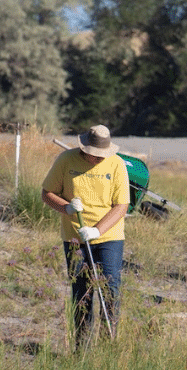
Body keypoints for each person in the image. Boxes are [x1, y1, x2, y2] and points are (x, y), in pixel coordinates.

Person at [42, 124, 129, 345]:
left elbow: (121, 206)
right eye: (94, 155)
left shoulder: (117, 164)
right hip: (75, 238)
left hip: (109, 237)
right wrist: (66, 208)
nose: (97, 159)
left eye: (102, 156)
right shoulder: (66, 160)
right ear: (84, 149)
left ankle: (108, 343)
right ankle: (81, 348)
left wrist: (97, 230)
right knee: (82, 292)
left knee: (111, 288)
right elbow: (48, 193)